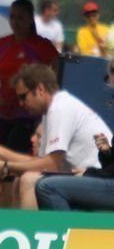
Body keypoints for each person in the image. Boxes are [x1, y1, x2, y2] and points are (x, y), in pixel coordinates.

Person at [0, 64, 111, 209]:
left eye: (23, 96)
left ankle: (30, 231)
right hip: (89, 177)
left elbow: (49, 165)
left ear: (40, 89)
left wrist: (5, 168)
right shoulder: (52, 111)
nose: (21, 103)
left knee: (28, 180)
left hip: (99, 178)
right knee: (21, 179)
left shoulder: (60, 107)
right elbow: (34, 162)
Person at [35, 61, 114, 211]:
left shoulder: (60, 107)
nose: (110, 78)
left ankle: (64, 227)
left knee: (47, 187)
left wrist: (89, 173)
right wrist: (107, 152)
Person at [0, 0, 59, 155]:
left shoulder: (42, 45)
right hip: (5, 113)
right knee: (1, 158)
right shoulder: (2, 44)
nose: (15, 22)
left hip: (29, 114)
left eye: (20, 18)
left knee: (12, 157)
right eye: (12, 17)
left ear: (30, 19)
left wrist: (45, 95)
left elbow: (58, 70)